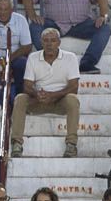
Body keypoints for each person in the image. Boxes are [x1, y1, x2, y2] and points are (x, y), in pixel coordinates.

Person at [9, 27, 80, 158]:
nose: (49, 44)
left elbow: (74, 87)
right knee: (20, 98)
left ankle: (71, 144)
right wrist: (37, 94)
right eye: (46, 40)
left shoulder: (70, 58)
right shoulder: (33, 57)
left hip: (60, 101)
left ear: (59, 42)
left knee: (73, 99)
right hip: (38, 100)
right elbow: (27, 86)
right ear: (41, 42)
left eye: (53, 40)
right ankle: (16, 143)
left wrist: (53, 95)